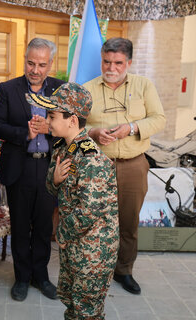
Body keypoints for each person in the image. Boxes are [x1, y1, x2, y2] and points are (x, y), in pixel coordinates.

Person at [27, 82, 119, 319]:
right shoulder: (63, 148)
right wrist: (56, 181)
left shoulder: (91, 160)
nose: (47, 121)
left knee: (87, 311)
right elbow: (50, 186)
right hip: (74, 245)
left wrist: (62, 236)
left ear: (73, 120)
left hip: (93, 250)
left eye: (52, 116)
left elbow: (88, 211)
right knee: (71, 303)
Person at [84, 37, 166, 295]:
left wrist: (132, 127)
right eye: (107, 61)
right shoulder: (87, 88)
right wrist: (94, 132)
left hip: (133, 165)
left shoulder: (144, 86)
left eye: (118, 63)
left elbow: (158, 118)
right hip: (97, 166)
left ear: (128, 62)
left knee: (128, 222)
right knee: (94, 223)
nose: (112, 67)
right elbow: (73, 126)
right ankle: (95, 270)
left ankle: (124, 271)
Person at [0, 38, 65, 301]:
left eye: (42, 65)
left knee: (44, 226)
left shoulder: (60, 89)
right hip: (19, 167)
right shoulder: (8, 89)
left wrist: (52, 129)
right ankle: (21, 278)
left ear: (50, 64)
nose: (35, 70)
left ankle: (41, 277)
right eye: (31, 63)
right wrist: (26, 132)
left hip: (48, 167)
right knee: (21, 226)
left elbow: (73, 124)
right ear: (25, 59)